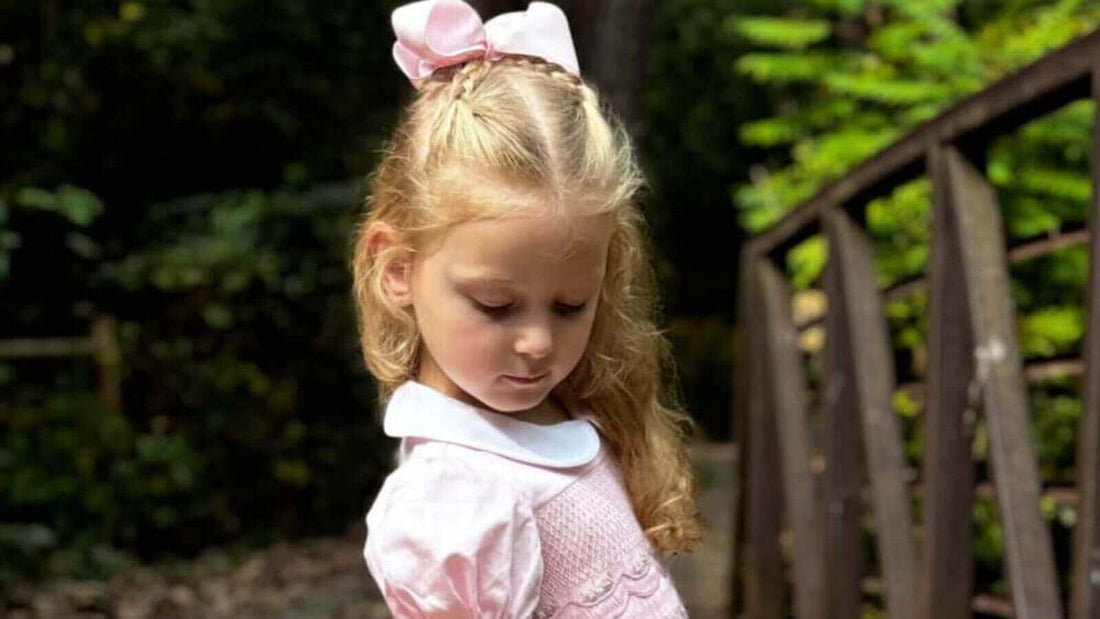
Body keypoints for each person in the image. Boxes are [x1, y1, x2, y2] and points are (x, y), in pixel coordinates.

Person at [351, 0, 703, 615]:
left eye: (571, 305)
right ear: (398, 268)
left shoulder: (564, 409)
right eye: (495, 305)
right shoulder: (456, 497)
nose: (538, 343)